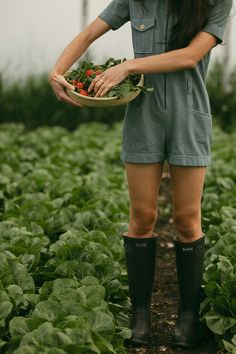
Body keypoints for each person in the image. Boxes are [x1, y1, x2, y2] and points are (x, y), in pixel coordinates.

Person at [49, 0, 233, 349]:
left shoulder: (217, 2)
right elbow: (89, 33)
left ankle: (189, 318)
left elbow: (190, 56)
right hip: (143, 114)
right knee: (142, 216)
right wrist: (56, 72)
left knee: (187, 219)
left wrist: (129, 66)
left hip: (190, 113)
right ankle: (141, 317)